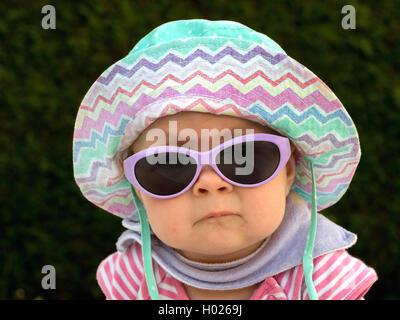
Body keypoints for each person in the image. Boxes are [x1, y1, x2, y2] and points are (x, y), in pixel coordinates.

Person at [72, 19, 378, 300]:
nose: (211, 183)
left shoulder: (325, 280)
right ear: (139, 189)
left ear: (287, 171)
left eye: (243, 156)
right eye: (169, 166)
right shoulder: (133, 275)